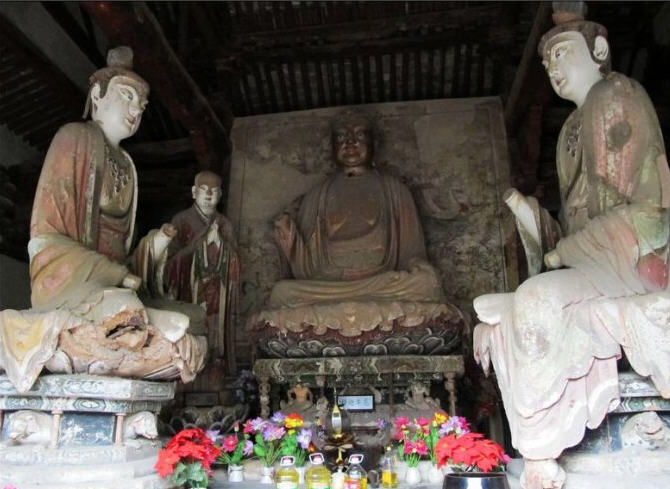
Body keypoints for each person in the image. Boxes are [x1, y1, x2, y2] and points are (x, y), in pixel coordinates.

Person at [473, 8, 670, 489]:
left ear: (598, 51)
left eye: (562, 53)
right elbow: (572, 221)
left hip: (629, 254)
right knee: (504, 305)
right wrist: (537, 222)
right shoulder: (568, 132)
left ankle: (541, 450)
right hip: (593, 258)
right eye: (547, 62)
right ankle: (542, 446)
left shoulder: (616, 95)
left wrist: (566, 251)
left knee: (534, 299)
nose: (553, 68)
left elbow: (646, 211)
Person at [0, 47, 206, 392]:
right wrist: (114, 274)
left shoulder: (127, 165)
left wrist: (152, 247)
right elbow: (45, 239)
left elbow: (125, 260)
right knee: (124, 307)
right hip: (71, 281)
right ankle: (141, 324)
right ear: (97, 95)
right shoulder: (74, 138)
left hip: (111, 283)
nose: (136, 110)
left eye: (142, 105)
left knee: (194, 316)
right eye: (127, 96)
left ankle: (144, 322)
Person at [262, 111, 454, 337]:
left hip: (382, 284)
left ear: (374, 144)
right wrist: (288, 236)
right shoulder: (316, 196)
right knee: (282, 292)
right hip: (328, 288)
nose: (350, 142)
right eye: (341, 137)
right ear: (332, 148)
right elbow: (306, 269)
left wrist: (419, 267)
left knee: (426, 283)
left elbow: (412, 252)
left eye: (359, 135)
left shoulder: (395, 191)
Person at [165, 170, 240, 373]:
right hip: (189, 290)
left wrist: (220, 243)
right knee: (190, 328)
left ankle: (215, 363)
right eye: (204, 190)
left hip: (217, 292)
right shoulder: (181, 221)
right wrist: (198, 246)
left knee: (215, 330)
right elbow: (169, 264)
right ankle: (188, 365)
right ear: (193, 192)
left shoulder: (224, 224)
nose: (208, 195)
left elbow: (236, 262)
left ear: (220, 194)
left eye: (213, 191)